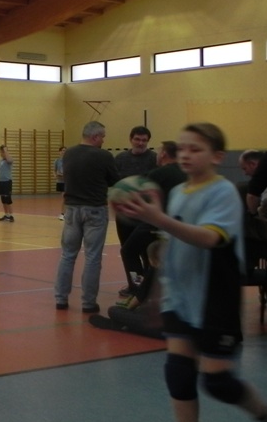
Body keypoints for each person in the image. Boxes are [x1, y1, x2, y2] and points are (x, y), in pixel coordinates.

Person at [115, 122, 267, 422]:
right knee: (178, 372)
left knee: (218, 382)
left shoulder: (222, 193)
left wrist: (158, 219)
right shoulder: (178, 193)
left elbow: (208, 238)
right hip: (181, 297)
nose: (186, 154)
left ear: (217, 156)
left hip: (215, 298)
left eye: (196, 149)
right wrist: (158, 292)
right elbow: (172, 246)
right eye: (182, 148)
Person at [54, 121, 119, 313]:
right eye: (103, 137)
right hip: (95, 209)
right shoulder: (104, 156)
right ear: (95, 137)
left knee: (67, 255)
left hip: (72, 209)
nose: (104, 140)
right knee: (92, 257)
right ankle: (88, 303)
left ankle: (61, 298)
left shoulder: (69, 154)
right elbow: (114, 180)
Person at [117, 140, 186, 305]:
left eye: (158, 151)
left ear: (163, 154)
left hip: (158, 224)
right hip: (181, 226)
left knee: (129, 251)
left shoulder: (158, 174)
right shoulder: (186, 173)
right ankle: (155, 292)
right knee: (153, 257)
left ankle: (137, 290)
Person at [115, 126, 157, 247]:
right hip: (124, 211)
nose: (140, 143)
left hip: (146, 212)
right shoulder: (120, 159)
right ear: (131, 139)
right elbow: (114, 182)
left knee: (147, 248)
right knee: (126, 247)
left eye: (144, 140)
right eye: (137, 139)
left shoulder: (155, 159)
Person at [0, 144, 15, 223]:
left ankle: (11, 216)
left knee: (8, 199)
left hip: (7, 181)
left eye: (3, 152)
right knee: (3, 199)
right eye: (1, 152)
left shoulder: (9, 159)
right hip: (0, 182)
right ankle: (6, 215)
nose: (1, 153)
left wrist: (6, 151)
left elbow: (9, 160)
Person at [54, 145, 66, 220]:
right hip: (60, 181)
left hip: (67, 181)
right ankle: (63, 213)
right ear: (60, 152)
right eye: (62, 150)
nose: (64, 152)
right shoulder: (57, 161)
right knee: (64, 197)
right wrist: (55, 175)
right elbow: (54, 170)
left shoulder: (68, 160)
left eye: (65, 150)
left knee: (65, 197)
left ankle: (63, 213)